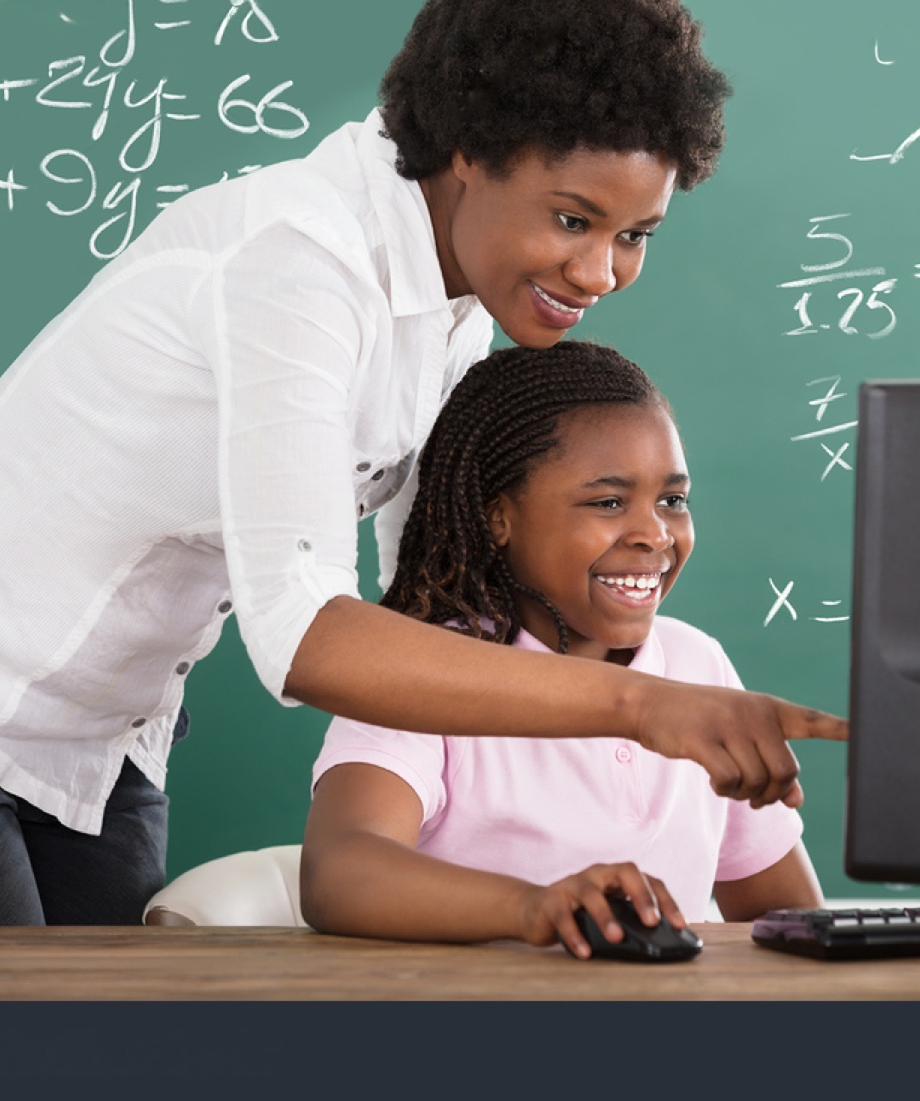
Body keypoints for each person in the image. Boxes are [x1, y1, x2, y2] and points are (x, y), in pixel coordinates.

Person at [0, 0, 845, 928]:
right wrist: (639, 706)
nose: (600, 272)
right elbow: (303, 634)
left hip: (104, 729)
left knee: (94, 1055)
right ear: (466, 150)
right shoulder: (300, 260)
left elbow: (435, 608)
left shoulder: (455, 306)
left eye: (635, 234)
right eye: (573, 218)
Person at [302, 342, 826, 951]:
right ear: (499, 518)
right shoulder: (422, 670)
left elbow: (788, 917)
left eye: (673, 501)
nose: (655, 534)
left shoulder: (697, 666)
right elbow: (336, 874)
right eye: (607, 503)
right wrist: (534, 906)